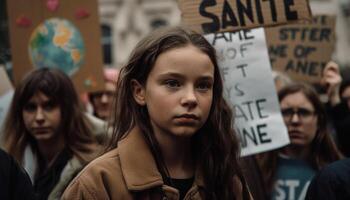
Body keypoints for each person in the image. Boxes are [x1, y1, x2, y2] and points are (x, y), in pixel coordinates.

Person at [62, 26, 252, 199]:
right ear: (139, 91)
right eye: (172, 83)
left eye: (203, 85)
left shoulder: (227, 179)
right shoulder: (98, 183)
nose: (191, 98)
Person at [1, 68, 100, 200]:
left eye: (49, 106)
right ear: (19, 113)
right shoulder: (10, 166)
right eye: (31, 107)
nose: (39, 117)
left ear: (67, 109)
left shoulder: (91, 168)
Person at [256, 83, 342, 200]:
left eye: (303, 112)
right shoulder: (255, 170)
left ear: (319, 120)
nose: (295, 120)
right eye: (286, 112)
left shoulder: (339, 172)